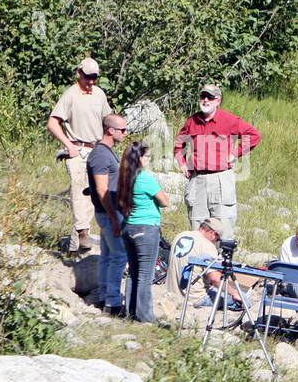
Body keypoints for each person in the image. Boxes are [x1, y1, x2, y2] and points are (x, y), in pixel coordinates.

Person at [174, 84, 260, 239]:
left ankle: (221, 260)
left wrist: (235, 153)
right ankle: (199, 260)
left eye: (210, 97)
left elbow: (253, 135)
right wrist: (181, 163)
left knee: (223, 227)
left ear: (218, 100)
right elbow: (178, 144)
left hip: (221, 179)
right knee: (197, 227)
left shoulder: (229, 120)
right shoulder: (192, 121)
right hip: (197, 180)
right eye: (203, 97)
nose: (206, 100)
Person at [47, 57, 114, 253]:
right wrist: (68, 144)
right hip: (77, 148)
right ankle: (83, 231)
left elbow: (106, 120)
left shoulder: (99, 94)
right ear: (79, 73)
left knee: (93, 193)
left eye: (94, 77)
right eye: (87, 77)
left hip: (96, 149)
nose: (91, 81)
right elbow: (52, 122)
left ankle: (76, 249)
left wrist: (106, 143)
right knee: (78, 189)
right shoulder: (70, 95)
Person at [115, 142, 169, 323]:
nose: (149, 160)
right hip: (146, 228)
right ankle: (145, 316)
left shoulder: (123, 176)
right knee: (146, 274)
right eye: (147, 156)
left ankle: (131, 312)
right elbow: (164, 201)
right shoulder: (144, 178)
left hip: (128, 226)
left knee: (134, 271)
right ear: (138, 158)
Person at [85, 114, 131, 315]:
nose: (125, 133)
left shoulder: (105, 153)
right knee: (119, 257)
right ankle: (112, 301)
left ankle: (104, 295)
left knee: (107, 256)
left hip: (108, 212)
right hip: (109, 213)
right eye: (122, 130)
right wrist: (113, 217)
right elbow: (102, 189)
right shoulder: (100, 155)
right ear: (110, 130)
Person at [167, 217, 240, 308]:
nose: (216, 242)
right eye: (217, 239)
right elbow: (215, 279)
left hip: (172, 292)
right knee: (243, 298)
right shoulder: (207, 245)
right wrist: (234, 293)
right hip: (194, 297)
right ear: (213, 233)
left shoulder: (180, 235)